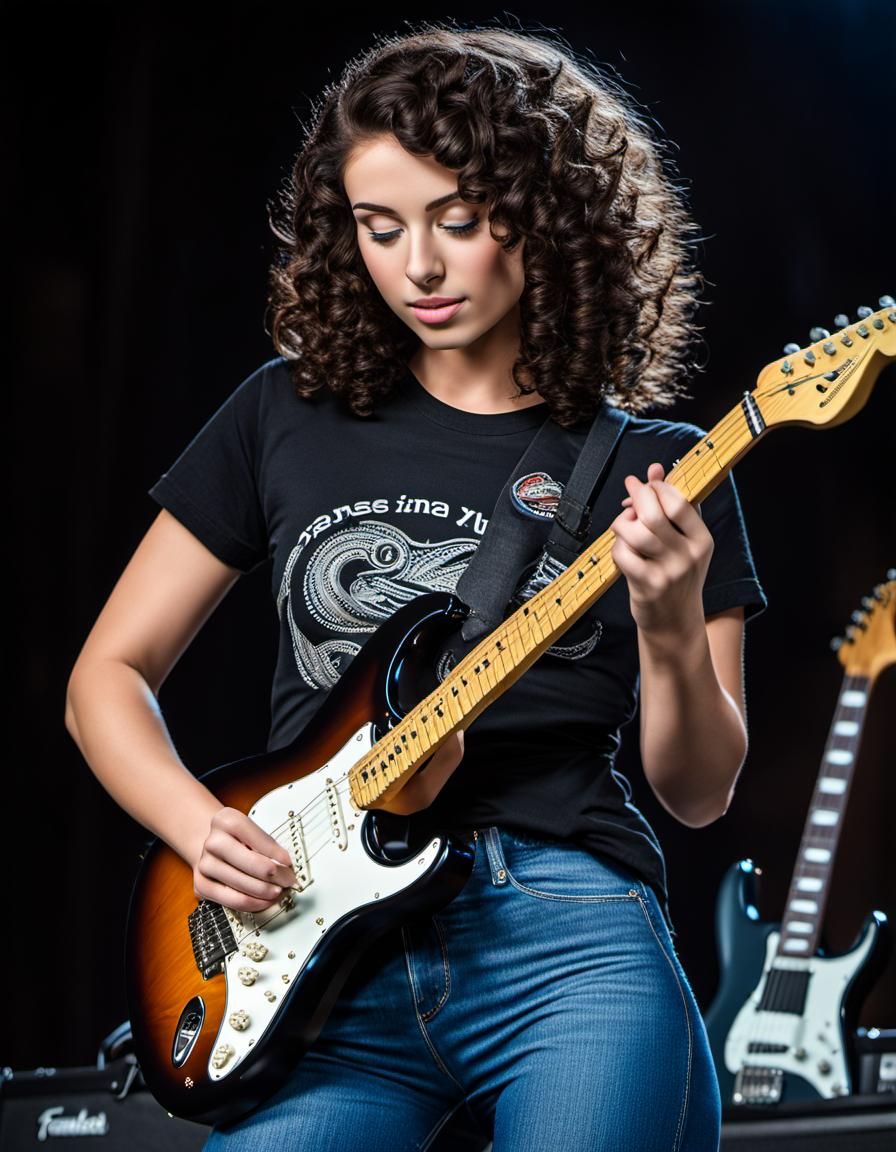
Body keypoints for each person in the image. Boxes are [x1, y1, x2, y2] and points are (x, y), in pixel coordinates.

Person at [65, 21, 766, 1152]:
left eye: (459, 220)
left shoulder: (663, 466)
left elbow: (697, 792)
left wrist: (672, 627)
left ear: (547, 217)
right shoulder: (282, 412)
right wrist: (199, 826)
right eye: (379, 228)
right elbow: (107, 673)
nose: (419, 268)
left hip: (562, 935)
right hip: (321, 957)